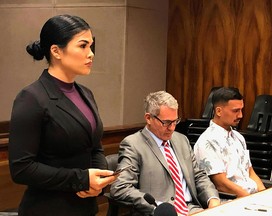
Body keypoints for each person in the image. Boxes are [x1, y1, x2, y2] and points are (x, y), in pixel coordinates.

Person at [8, 14, 118, 216]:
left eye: (91, 46)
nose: (91, 53)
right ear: (56, 51)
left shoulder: (86, 93)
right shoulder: (31, 98)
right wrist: (82, 180)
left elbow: (95, 148)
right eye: (83, 46)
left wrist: (98, 183)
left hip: (86, 208)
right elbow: (21, 168)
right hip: (47, 209)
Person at [110, 90, 220, 216]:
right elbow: (120, 188)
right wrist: (158, 207)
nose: (172, 128)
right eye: (166, 122)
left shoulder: (181, 140)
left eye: (175, 121)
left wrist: (213, 199)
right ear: (148, 118)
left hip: (193, 209)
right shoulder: (133, 145)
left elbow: (198, 176)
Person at [194, 87, 266, 198]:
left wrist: (264, 195)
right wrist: (251, 200)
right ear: (218, 111)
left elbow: (250, 172)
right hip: (231, 200)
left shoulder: (239, 138)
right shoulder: (207, 141)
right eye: (235, 111)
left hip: (250, 197)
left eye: (241, 110)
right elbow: (221, 184)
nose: (241, 115)